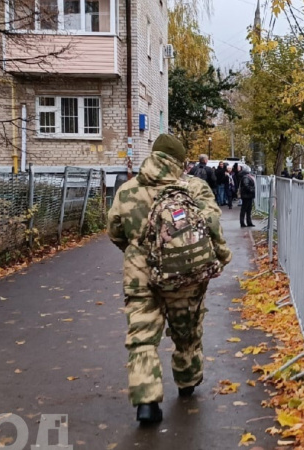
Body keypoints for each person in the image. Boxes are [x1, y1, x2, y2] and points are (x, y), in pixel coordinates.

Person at [108, 135, 232, 424]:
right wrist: (222, 258)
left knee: (142, 337)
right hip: (184, 275)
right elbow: (213, 226)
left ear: (153, 156)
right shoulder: (195, 188)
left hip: (140, 276)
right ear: (179, 161)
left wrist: (135, 253)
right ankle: (187, 381)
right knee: (186, 331)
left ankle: (147, 403)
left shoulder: (127, 190)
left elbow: (115, 232)